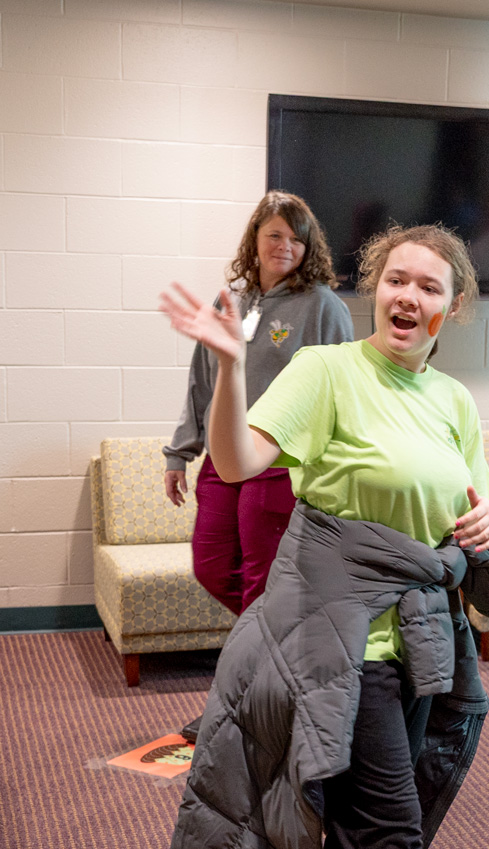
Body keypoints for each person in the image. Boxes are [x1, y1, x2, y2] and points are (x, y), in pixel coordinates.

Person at [161, 223, 489, 849]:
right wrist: (230, 367)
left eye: (429, 287)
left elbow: (478, 501)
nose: (408, 297)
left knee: (384, 814)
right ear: (373, 288)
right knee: (389, 818)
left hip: (425, 634)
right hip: (338, 639)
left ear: (451, 308)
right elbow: (241, 460)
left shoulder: (454, 401)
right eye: (396, 279)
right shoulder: (327, 373)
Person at [164, 190, 353, 617]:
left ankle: (260, 667)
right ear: (255, 239)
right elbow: (202, 381)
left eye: (296, 240)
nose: (285, 247)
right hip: (223, 457)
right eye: (275, 235)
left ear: (308, 248)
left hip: (276, 462)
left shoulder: (324, 306)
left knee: (262, 578)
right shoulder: (232, 301)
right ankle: (282, 635)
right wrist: (179, 453)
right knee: (211, 569)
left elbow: (345, 391)